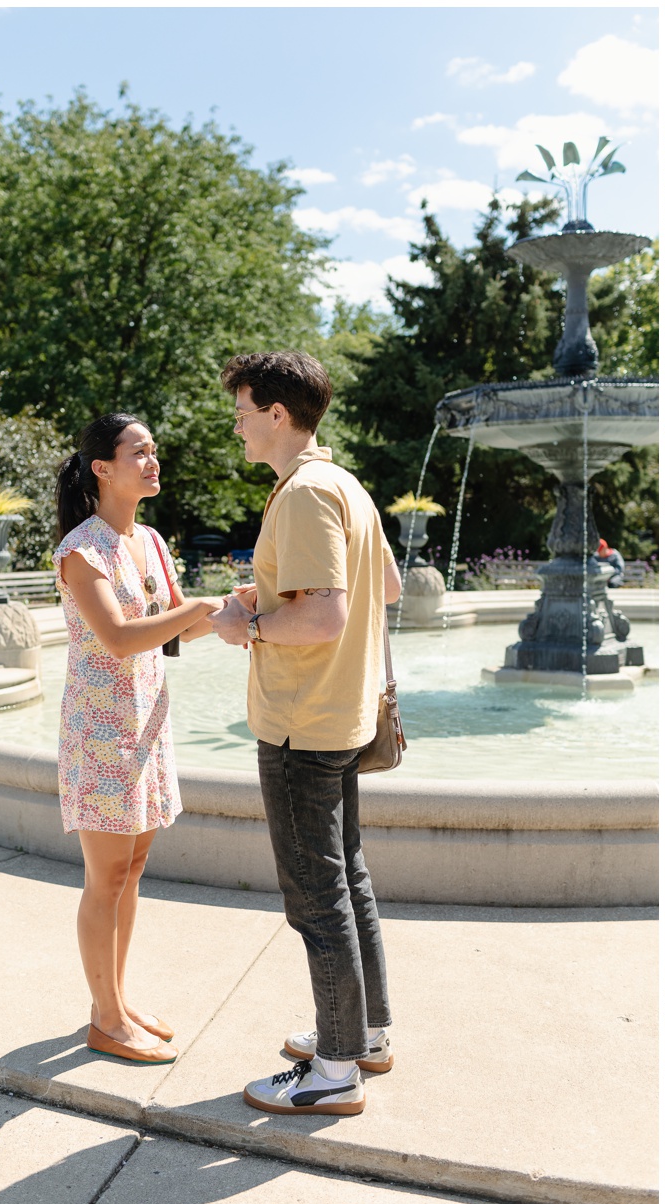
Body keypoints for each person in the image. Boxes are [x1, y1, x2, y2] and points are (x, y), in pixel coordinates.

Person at [207, 351, 404, 1116]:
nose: (239, 422)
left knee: (317, 900)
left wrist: (245, 622)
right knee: (347, 882)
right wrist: (276, 591)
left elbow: (325, 614)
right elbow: (381, 586)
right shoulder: (344, 483)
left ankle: (333, 1069)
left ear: (278, 415)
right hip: (340, 715)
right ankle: (365, 1033)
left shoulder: (303, 494)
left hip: (301, 724)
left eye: (245, 409)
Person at [54, 413, 225, 1064]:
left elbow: (174, 631)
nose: (154, 460)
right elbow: (123, 636)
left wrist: (240, 609)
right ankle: (105, 1017)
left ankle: (119, 1000)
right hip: (100, 734)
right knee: (105, 877)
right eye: (140, 451)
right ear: (103, 467)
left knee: (132, 869)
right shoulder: (81, 550)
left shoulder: (150, 541)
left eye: (155, 450)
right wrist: (204, 609)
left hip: (146, 725)